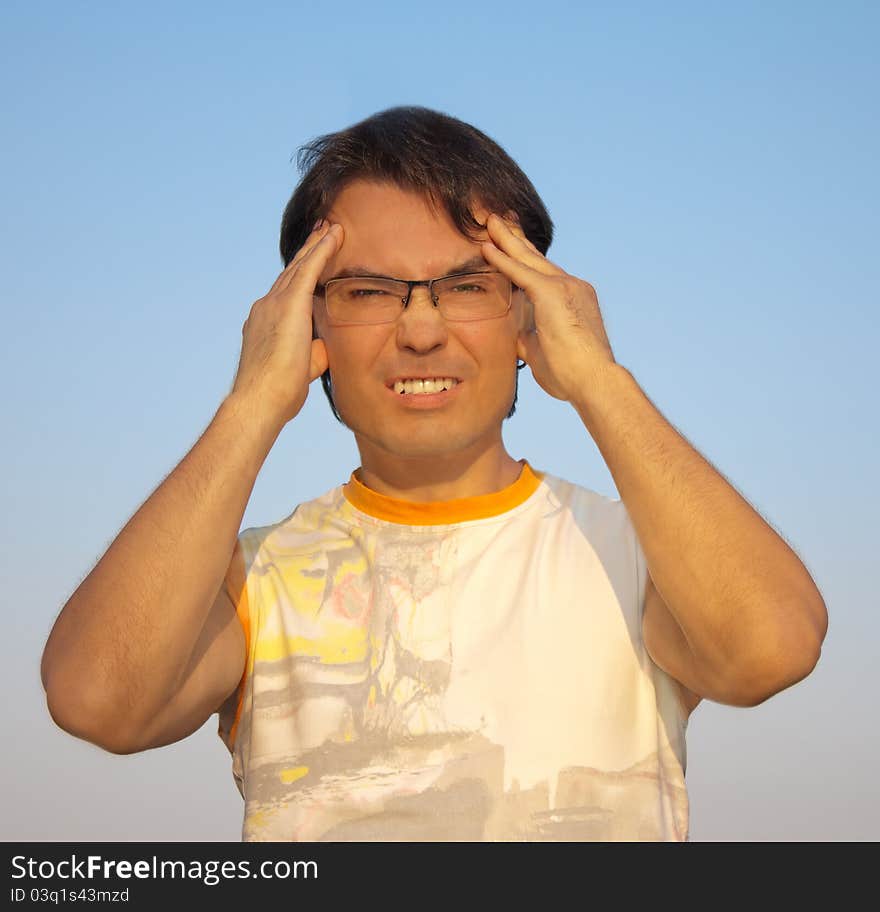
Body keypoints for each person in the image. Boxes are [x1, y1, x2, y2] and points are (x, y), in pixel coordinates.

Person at [40, 106, 827, 842]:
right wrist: (250, 405)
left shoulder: (638, 554)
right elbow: (99, 701)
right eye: (369, 292)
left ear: (530, 314)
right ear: (306, 322)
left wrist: (601, 379)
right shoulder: (252, 580)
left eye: (466, 288)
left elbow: (771, 649)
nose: (421, 330)